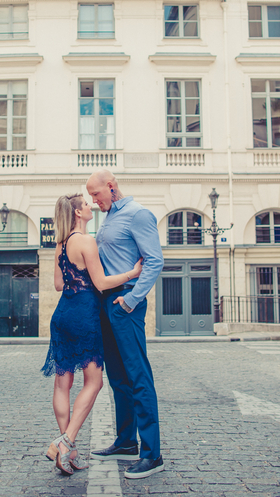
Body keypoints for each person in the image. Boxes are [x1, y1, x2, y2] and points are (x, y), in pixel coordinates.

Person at [41, 192, 143, 476]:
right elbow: (101, 283)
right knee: (94, 382)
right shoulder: (86, 241)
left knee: (63, 383)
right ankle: (65, 442)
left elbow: (59, 284)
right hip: (85, 316)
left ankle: (69, 451)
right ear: (77, 213)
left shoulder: (61, 244)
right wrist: (132, 274)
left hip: (62, 315)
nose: (90, 207)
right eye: (86, 205)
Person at [85, 170, 165, 479]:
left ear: (111, 186)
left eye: (96, 194)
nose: (94, 200)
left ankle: (152, 454)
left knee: (137, 375)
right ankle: (126, 441)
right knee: (118, 377)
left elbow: (154, 260)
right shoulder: (106, 219)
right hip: (107, 303)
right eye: (90, 196)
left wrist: (132, 299)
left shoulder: (138, 214)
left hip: (124, 303)